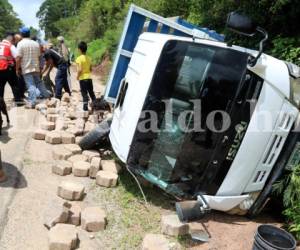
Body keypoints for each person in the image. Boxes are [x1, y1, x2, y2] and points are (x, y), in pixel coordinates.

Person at [16, 27, 50, 108]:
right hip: (36, 67)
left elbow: (18, 58)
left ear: (21, 34)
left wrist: (17, 69)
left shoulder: (20, 44)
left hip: (27, 68)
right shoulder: (36, 44)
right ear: (29, 34)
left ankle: (32, 102)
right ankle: (47, 96)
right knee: (39, 82)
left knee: (30, 85)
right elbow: (39, 56)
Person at [0, 32, 21, 103]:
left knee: (1, 86)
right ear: (11, 38)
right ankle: (18, 102)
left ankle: (1, 103)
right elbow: (17, 57)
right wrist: (17, 69)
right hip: (9, 69)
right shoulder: (10, 46)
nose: (14, 40)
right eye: (14, 39)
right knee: (15, 85)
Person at [76, 41, 96, 111]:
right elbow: (90, 69)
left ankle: (85, 107)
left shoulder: (79, 58)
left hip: (83, 79)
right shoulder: (89, 58)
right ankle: (96, 106)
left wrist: (77, 77)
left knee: (84, 93)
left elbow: (79, 70)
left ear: (79, 49)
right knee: (91, 92)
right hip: (89, 78)